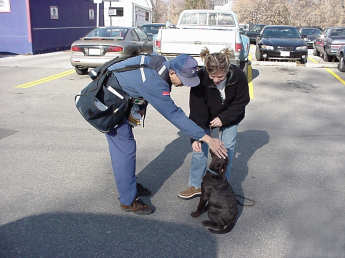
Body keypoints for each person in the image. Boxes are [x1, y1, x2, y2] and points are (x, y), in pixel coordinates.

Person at [105, 53, 228, 215]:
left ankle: (128, 184)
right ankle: (128, 200)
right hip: (108, 103)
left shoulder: (162, 63)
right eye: (183, 81)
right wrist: (207, 139)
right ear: (172, 73)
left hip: (122, 95)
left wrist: (141, 104)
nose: (184, 85)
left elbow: (137, 80)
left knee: (127, 147)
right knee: (125, 150)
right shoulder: (154, 82)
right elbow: (174, 115)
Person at [178, 47, 250, 199]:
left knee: (226, 149)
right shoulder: (200, 78)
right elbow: (197, 110)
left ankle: (222, 186)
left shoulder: (239, 76)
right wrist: (196, 137)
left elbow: (241, 101)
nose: (216, 80)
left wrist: (224, 118)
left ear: (228, 69)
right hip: (206, 116)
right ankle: (196, 185)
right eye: (212, 76)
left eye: (220, 77)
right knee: (199, 148)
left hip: (230, 115)